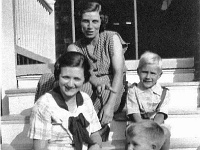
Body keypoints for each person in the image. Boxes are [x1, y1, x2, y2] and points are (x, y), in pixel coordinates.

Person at [34, 0, 128, 140]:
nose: (90, 26)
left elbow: (119, 73)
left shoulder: (111, 38)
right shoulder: (74, 47)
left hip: (113, 86)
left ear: (101, 22)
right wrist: (95, 81)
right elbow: (83, 73)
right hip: (89, 82)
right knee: (47, 79)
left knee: (84, 89)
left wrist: (109, 107)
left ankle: (88, 129)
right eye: (86, 21)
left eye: (95, 21)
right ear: (80, 22)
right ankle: (43, 119)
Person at [28, 51, 102, 150]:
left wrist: (95, 147)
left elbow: (95, 135)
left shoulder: (86, 100)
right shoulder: (44, 105)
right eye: (66, 77)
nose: (70, 84)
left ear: (84, 79)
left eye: (77, 79)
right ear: (58, 76)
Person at [126, 51, 171, 150]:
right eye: (144, 72)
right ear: (138, 71)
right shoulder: (133, 90)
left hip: (156, 125)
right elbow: (134, 113)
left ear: (159, 75)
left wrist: (151, 130)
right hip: (137, 123)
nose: (148, 77)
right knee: (133, 134)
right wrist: (143, 129)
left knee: (166, 132)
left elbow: (161, 115)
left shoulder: (164, 93)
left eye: (153, 73)